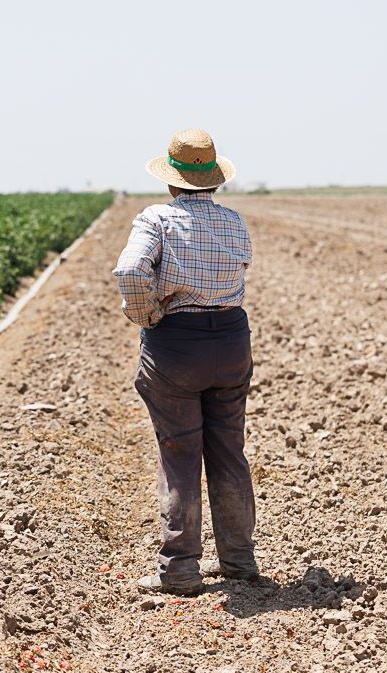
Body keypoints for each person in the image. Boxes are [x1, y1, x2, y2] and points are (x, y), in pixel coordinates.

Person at [112, 128, 258, 596]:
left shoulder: (156, 219)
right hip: (231, 342)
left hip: (176, 347)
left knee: (179, 454)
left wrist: (147, 314)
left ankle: (179, 569)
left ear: (171, 179)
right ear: (214, 178)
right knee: (229, 452)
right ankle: (238, 559)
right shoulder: (234, 222)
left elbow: (130, 270)